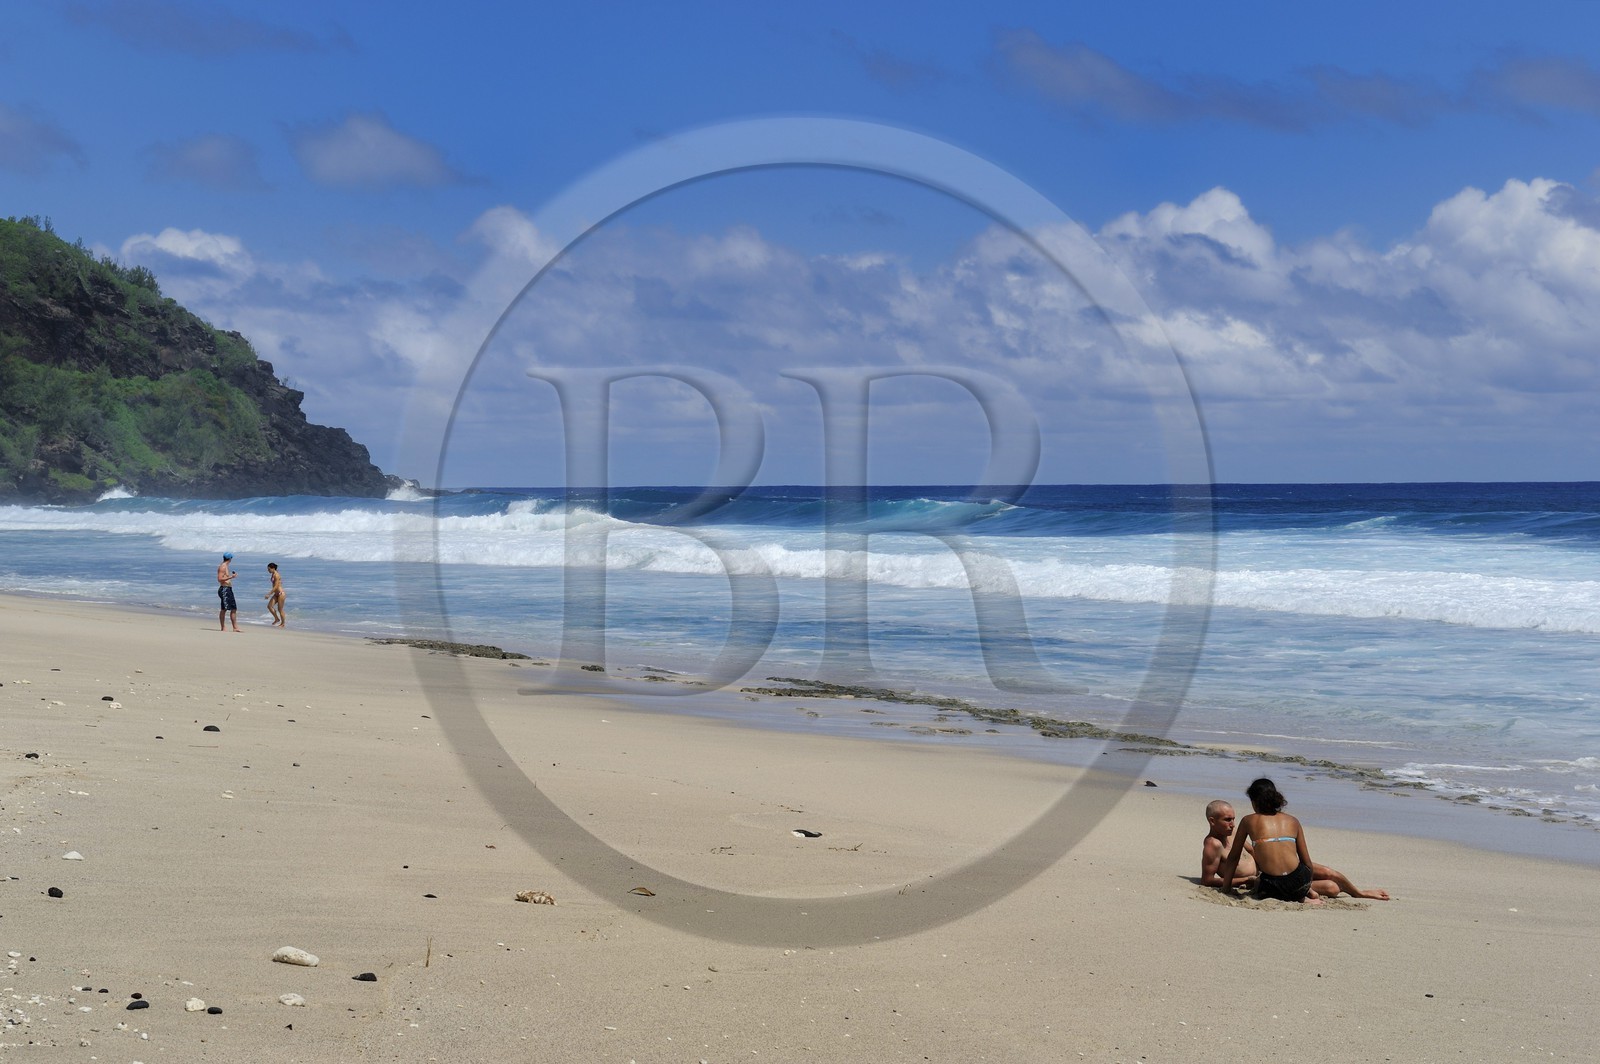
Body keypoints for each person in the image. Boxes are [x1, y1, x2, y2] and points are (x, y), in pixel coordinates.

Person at [1213, 779, 1391, 904]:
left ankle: (1328, 894)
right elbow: (1306, 863)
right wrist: (1305, 888)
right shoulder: (1293, 821)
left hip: (1272, 886)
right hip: (1298, 879)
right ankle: (1359, 893)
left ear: (1254, 801)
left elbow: (1234, 857)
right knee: (1331, 883)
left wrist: (1226, 889)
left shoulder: (1248, 820)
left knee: (1265, 881)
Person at [217, 552, 240, 632]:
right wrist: (231, 577)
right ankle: (225, 627)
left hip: (227, 589)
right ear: (230, 558)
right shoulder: (223, 567)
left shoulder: (225, 566)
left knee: (232, 608)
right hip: (224, 589)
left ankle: (234, 627)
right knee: (226, 609)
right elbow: (219, 579)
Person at [265, 562, 286, 627]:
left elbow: (276, 586)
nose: (268, 570)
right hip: (276, 594)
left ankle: (283, 624)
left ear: (273, 568)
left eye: (269, 569)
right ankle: (276, 618)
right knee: (269, 606)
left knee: (280, 609)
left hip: (280, 594)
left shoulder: (276, 575)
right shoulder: (273, 574)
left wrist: (269, 594)